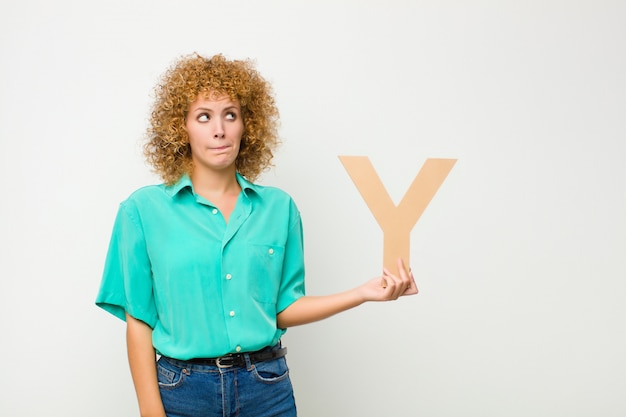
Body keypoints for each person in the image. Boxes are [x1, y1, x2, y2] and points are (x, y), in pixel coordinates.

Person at [95, 53, 418, 417]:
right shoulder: (142, 211)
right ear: (180, 127)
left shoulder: (279, 209)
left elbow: (282, 309)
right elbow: (139, 320)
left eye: (230, 115)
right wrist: (150, 412)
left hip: (266, 389)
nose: (219, 129)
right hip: (182, 392)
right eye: (204, 116)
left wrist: (361, 293)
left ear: (246, 124)